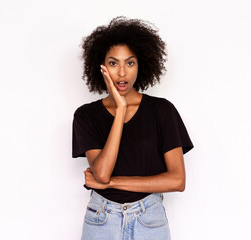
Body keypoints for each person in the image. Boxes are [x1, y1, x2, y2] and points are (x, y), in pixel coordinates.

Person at [72, 16, 193, 240]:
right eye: (113, 63)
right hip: (101, 219)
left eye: (130, 62)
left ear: (141, 64)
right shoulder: (86, 116)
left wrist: (113, 183)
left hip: (150, 219)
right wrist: (120, 109)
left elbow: (177, 181)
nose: (122, 72)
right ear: (101, 67)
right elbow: (102, 173)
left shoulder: (162, 111)